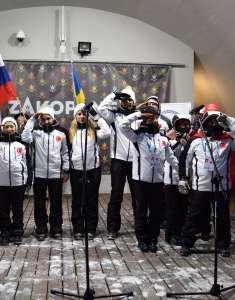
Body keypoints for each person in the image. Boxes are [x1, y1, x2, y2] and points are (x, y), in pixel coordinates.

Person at [179, 104, 235, 257]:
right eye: (210, 121)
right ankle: (186, 243)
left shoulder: (228, 139)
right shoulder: (195, 140)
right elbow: (185, 159)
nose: (213, 124)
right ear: (204, 121)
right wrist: (183, 178)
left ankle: (223, 245)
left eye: (216, 121)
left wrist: (229, 121)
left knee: (222, 217)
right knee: (195, 215)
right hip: (200, 186)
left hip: (222, 186)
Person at [119, 105, 178, 253]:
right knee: (141, 211)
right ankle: (142, 239)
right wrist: (140, 114)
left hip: (157, 181)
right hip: (140, 181)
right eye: (149, 118)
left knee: (156, 212)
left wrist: (183, 173)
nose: (152, 120)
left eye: (154, 118)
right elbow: (122, 125)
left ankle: (153, 239)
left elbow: (171, 158)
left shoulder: (162, 138)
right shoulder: (137, 136)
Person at [21, 106, 69, 240]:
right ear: (40, 120)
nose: (46, 121)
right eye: (43, 119)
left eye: (48, 118)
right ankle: (41, 227)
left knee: (56, 202)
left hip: (56, 174)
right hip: (39, 174)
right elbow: (25, 137)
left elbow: (65, 153)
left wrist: (65, 170)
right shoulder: (36, 133)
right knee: (39, 203)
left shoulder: (61, 133)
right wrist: (32, 120)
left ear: (53, 118)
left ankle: (56, 227)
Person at [97, 86, 137, 239]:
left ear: (133, 102)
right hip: (118, 160)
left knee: (137, 195)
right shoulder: (114, 116)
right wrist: (113, 94)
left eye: (129, 100)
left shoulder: (138, 117)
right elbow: (101, 108)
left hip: (136, 161)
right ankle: (113, 228)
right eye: (123, 100)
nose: (126, 103)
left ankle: (139, 225)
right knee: (116, 195)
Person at [0, 117, 27, 245]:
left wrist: (27, 181)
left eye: (11, 126)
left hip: (18, 182)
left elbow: (26, 163)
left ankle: (17, 232)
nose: (9, 129)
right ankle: (5, 232)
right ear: (2, 129)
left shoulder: (21, 145)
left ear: (15, 128)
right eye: (6, 127)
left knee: (18, 209)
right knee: (4, 209)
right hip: (2, 183)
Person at [69, 103, 110, 240]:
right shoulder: (71, 133)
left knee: (91, 199)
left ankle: (91, 228)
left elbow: (107, 132)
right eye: (79, 114)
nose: (82, 116)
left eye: (84, 114)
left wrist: (96, 116)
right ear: (75, 116)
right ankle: (78, 227)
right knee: (77, 200)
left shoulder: (94, 131)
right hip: (76, 170)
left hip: (93, 170)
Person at [164, 114, 191, 246]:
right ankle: (171, 234)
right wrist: (178, 144)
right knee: (171, 209)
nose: (183, 127)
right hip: (171, 180)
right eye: (180, 124)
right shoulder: (168, 139)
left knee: (183, 208)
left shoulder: (190, 139)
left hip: (185, 179)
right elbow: (167, 154)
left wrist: (186, 144)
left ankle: (179, 233)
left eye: (186, 124)